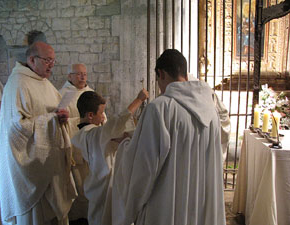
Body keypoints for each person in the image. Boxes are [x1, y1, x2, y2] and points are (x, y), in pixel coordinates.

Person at [112, 49, 226, 225]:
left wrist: (126, 145)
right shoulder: (211, 110)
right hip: (200, 204)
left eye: (157, 80)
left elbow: (144, 168)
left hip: (166, 208)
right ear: (184, 72)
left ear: (161, 73)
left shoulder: (160, 108)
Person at [0, 41, 76, 225]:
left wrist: (62, 118)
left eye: (53, 61)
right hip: (32, 168)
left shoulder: (46, 83)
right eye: (48, 60)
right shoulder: (17, 83)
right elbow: (16, 128)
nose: (51, 65)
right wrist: (51, 120)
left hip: (51, 162)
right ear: (32, 60)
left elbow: (56, 111)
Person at [71, 89, 148, 225]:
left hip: (100, 189)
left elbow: (109, 133)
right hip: (103, 191)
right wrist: (138, 100)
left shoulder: (86, 134)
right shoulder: (92, 134)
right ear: (90, 115)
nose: (103, 117)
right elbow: (115, 124)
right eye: (101, 113)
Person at [59, 63, 95, 223]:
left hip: (90, 149)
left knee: (90, 185)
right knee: (77, 184)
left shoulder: (91, 93)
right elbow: (60, 122)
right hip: (74, 150)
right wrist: (80, 122)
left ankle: (90, 216)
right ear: (69, 76)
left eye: (85, 74)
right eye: (79, 74)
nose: (82, 77)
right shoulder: (62, 95)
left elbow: (102, 115)